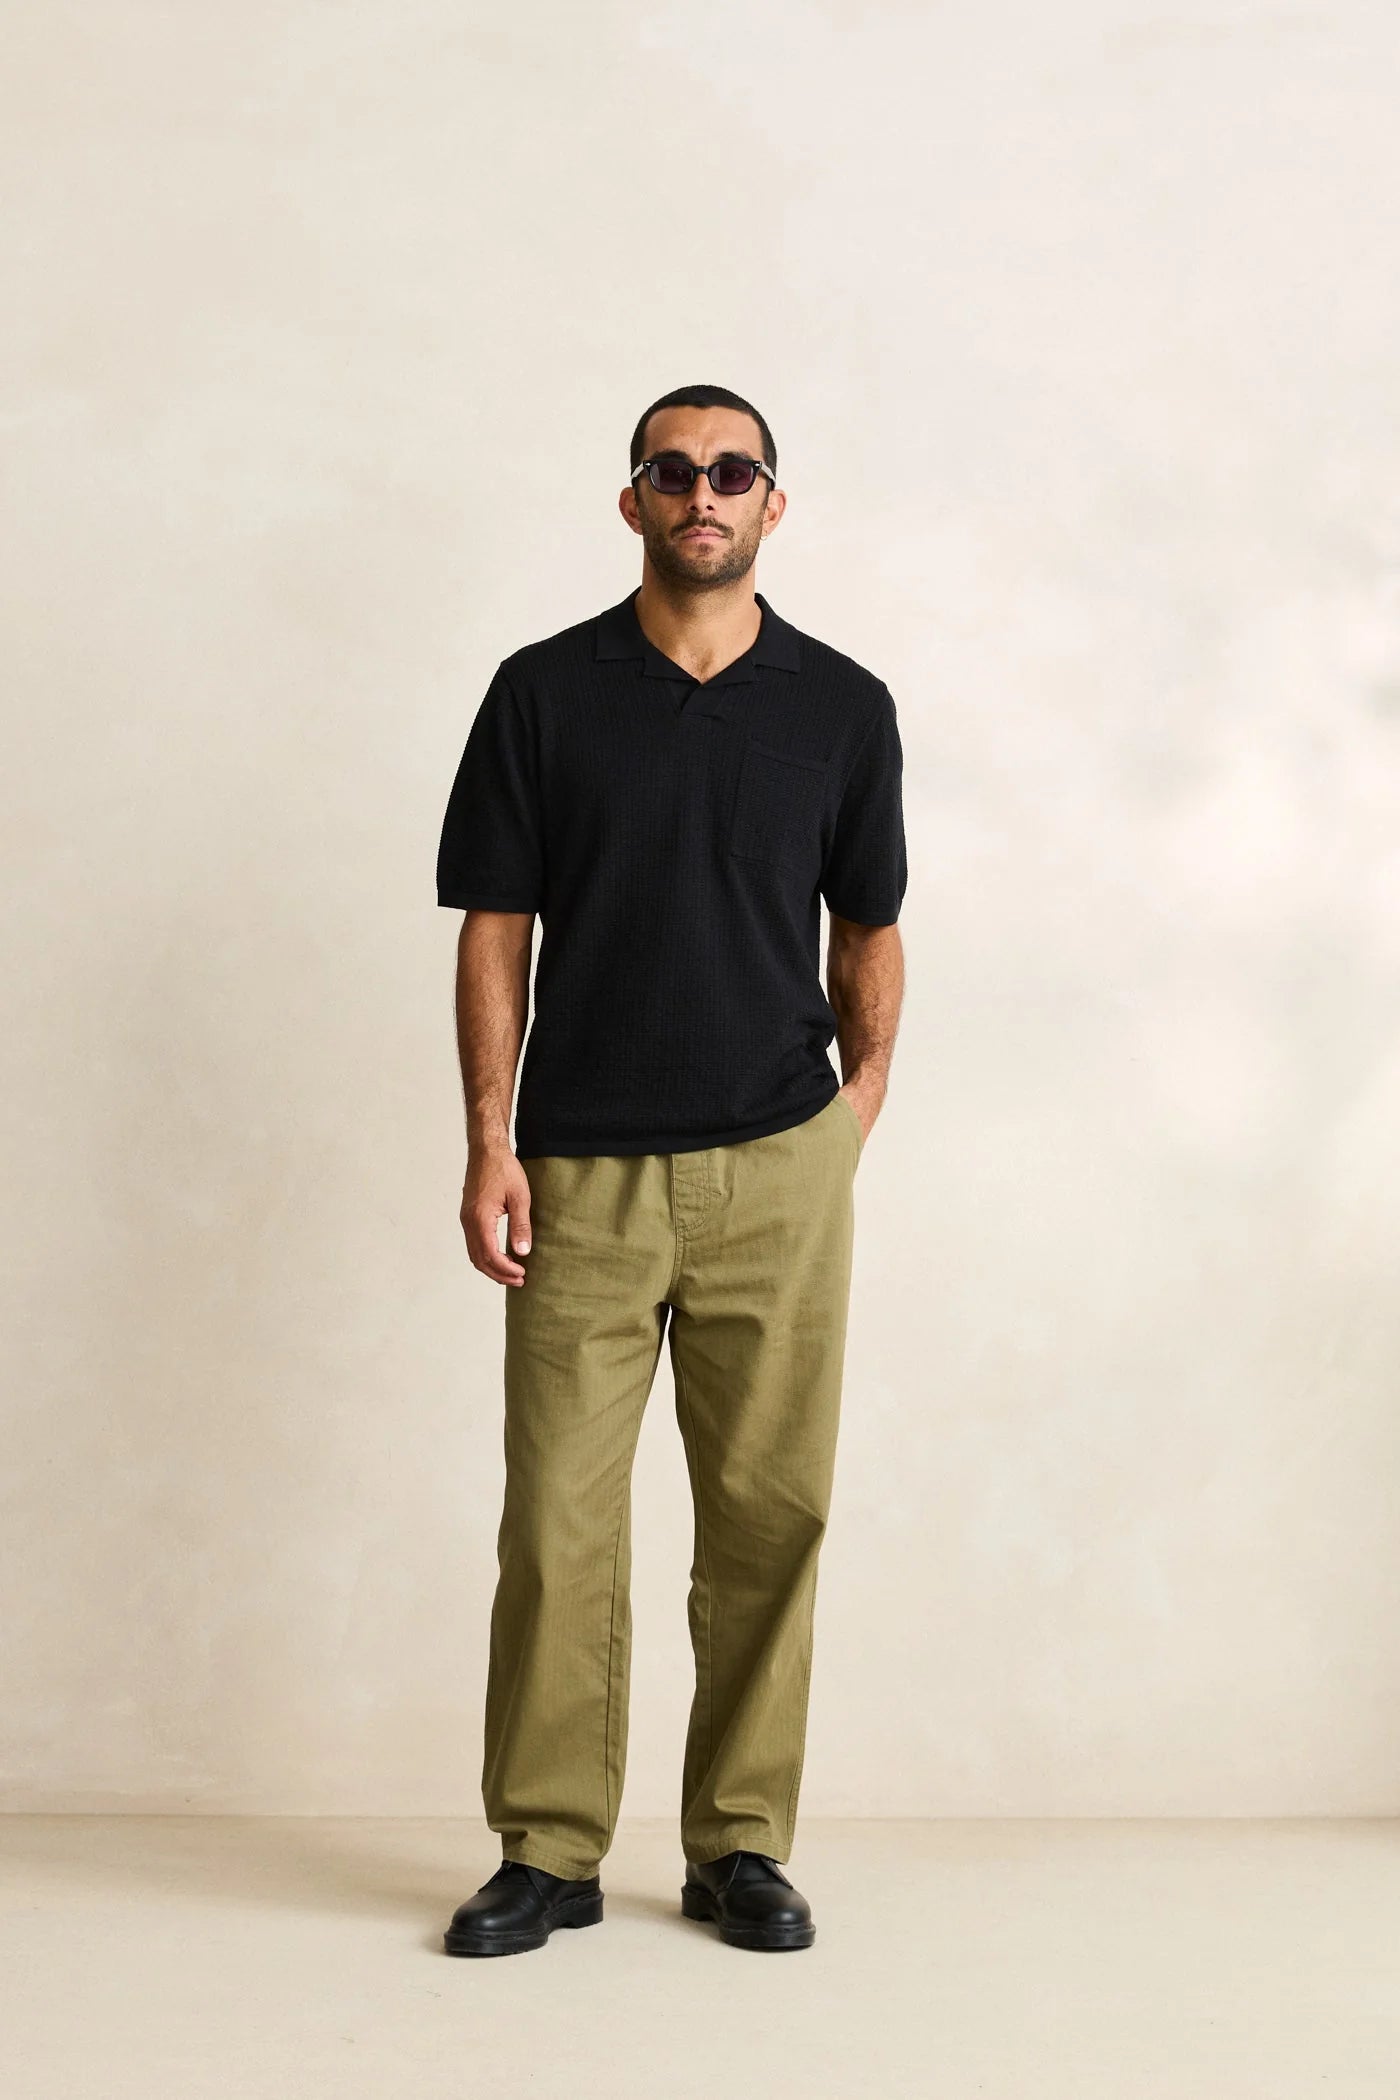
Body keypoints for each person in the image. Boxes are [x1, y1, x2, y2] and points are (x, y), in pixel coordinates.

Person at [436, 383, 906, 1957]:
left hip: (779, 1165)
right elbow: (495, 927)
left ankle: (741, 1843)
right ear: (633, 499)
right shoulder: (542, 694)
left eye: (733, 471)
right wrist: (489, 1140)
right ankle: (548, 1848)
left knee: (771, 1519)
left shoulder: (842, 707)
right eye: (673, 469)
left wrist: (858, 1104)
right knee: (556, 1527)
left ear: (774, 501)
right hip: (580, 1173)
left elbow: (871, 923)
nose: (703, 492)